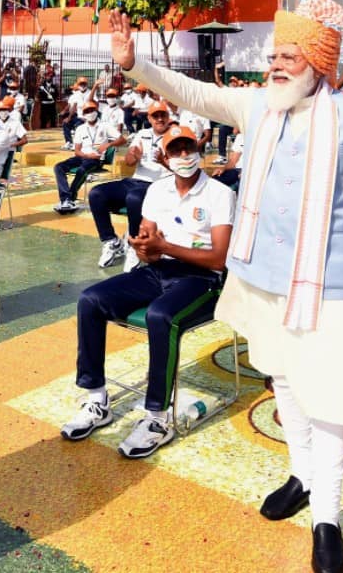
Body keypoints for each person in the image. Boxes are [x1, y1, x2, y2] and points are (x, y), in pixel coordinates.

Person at [108, 1, 343, 573]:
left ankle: (328, 517)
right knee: (287, 382)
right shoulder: (258, 107)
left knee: (333, 399)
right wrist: (134, 64)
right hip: (263, 278)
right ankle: (302, 473)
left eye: (289, 57)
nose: (276, 65)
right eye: (274, 56)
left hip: (330, 286)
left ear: (318, 62)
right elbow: (191, 92)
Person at [60, 125, 234, 459]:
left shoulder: (219, 193)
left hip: (202, 279)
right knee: (90, 301)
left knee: (160, 316)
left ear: (199, 148)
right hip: (159, 270)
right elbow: (148, 245)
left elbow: (220, 257)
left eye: (188, 148)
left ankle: (157, 418)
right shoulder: (157, 190)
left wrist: (164, 245)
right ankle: (97, 400)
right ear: (165, 157)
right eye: (176, 151)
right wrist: (143, 249)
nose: (184, 156)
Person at [88, 100, 173, 269]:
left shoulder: (174, 135)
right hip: (135, 180)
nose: (159, 119)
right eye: (155, 116)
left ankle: (135, 244)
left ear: (168, 117)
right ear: (149, 118)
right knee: (96, 193)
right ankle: (111, 241)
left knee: (134, 198)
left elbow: (182, 168)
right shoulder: (142, 134)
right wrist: (134, 157)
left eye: (163, 115)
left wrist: (164, 162)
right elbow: (128, 162)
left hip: (159, 184)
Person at [53, 101, 123, 213]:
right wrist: (86, 155)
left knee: (82, 170)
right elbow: (77, 151)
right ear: (84, 114)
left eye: (92, 110)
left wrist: (108, 144)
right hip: (82, 156)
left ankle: (69, 198)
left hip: (96, 159)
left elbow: (122, 139)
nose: (90, 113)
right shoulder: (80, 128)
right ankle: (66, 198)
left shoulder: (105, 126)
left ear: (96, 111)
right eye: (87, 111)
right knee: (58, 167)